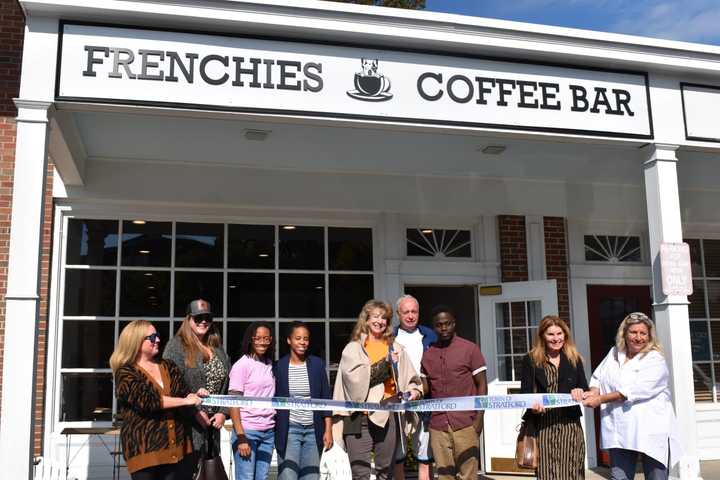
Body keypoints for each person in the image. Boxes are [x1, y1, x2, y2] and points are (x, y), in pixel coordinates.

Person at [583, 312, 682, 480]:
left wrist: (599, 399)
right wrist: (593, 391)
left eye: (643, 333)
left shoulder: (655, 359)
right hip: (619, 427)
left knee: (656, 477)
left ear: (650, 336)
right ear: (624, 333)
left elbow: (633, 391)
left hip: (649, 427)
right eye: (633, 332)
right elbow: (598, 377)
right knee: (619, 477)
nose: (638, 337)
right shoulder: (614, 353)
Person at [333, 299, 423, 480]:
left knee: (386, 470)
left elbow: (413, 380)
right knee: (360, 473)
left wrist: (414, 391)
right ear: (366, 320)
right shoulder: (353, 348)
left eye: (384, 318)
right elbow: (355, 385)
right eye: (375, 316)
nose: (379, 321)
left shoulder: (396, 348)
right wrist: (386, 364)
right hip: (358, 417)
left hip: (388, 416)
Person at [109, 320, 207, 480]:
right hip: (145, 452)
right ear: (136, 340)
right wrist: (186, 401)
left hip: (179, 450)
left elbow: (184, 394)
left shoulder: (168, 366)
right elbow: (147, 402)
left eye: (158, 336)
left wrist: (196, 396)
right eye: (152, 337)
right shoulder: (125, 372)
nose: (158, 340)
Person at [420, 305, 487, 480]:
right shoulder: (428, 355)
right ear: (433, 327)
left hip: (465, 423)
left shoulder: (470, 349)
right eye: (439, 325)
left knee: (468, 474)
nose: (443, 328)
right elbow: (425, 388)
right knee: (444, 474)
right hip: (438, 424)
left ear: (454, 324)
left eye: (447, 324)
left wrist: (479, 419)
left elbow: (482, 385)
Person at [519, 315, 588, 480]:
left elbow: (584, 388)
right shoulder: (530, 360)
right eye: (551, 334)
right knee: (547, 474)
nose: (556, 338)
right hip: (543, 426)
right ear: (542, 336)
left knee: (572, 472)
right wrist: (533, 407)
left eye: (559, 333)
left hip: (569, 427)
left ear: (565, 335)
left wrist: (580, 391)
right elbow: (525, 393)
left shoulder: (574, 358)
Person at [163, 299, 230, 466]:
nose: (204, 322)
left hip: (213, 427)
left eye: (207, 317)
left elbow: (228, 383)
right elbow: (170, 385)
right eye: (198, 318)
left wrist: (223, 412)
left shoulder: (217, 347)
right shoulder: (175, 347)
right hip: (186, 426)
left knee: (209, 472)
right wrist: (194, 412)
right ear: (188, 320)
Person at [274, 321, 333, 480]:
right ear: (289, 340)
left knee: (311, 477)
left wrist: (328, 429)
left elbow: (326, 399)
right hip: (289, 430)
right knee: (288, 476)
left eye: (305, 339)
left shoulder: (317, 365)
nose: (302, 342)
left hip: (313, 432)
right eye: (298, 338)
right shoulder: (279, 366)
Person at [392, 294, 436, 480]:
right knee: (398, 452)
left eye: (414, 311)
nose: (410, 316)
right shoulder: (389, 337)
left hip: (426, 397)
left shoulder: (430, 335)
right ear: (398, 314)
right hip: (397, 397)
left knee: (425, 453)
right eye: (406, 312)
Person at [229, 321, 276, 480]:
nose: (262, 342)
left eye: (266, 338)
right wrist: (241, 435)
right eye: (258, 338)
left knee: (261, 478)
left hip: (268, 433)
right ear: (251, 340)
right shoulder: (241, 365)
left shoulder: (269, 365)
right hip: (247, 432)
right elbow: (233, 403)